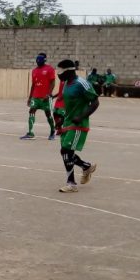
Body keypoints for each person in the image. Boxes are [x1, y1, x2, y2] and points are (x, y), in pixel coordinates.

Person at [55, 59, 99, 193]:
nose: (58, 75)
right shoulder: (66, 83)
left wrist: (81, 117)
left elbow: (95, 102)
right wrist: (61, 119)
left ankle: (71, 184)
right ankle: (86, 166)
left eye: (60, 72)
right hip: (68, 122)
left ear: (69, 71)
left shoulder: (82, 84)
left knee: (67, 150)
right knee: (64, 151)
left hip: (79, 124)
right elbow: (67, 104)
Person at [20, 52, 57, 140]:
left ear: (44, 60)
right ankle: (30, 133)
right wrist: (29, 97)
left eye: (39, 60)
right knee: (31, 111)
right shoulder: (34, 71)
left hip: (46, 97)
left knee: (48, 114)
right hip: (35, 96)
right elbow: (33, 85)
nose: (38, 62)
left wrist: (48, 94)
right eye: (37, 61)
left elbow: (53, 82)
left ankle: (52, 131)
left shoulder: (49, 69)